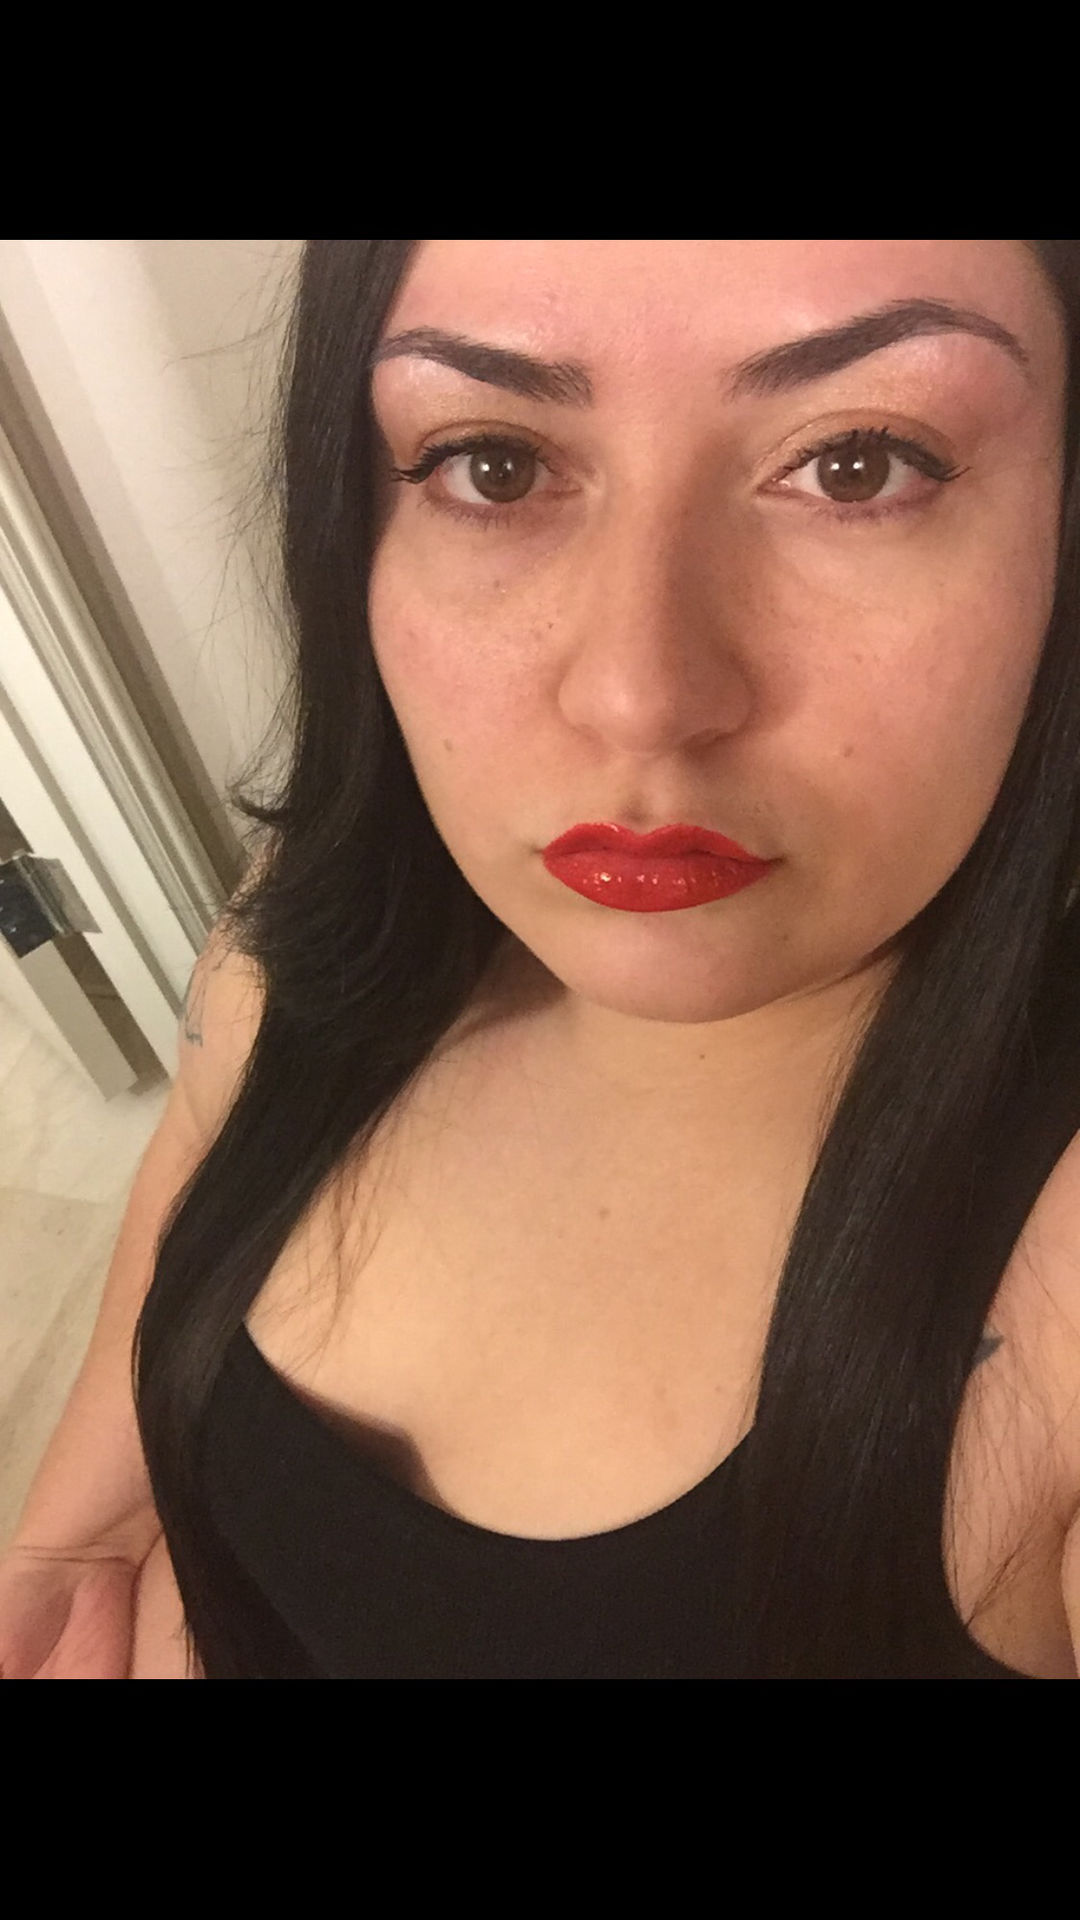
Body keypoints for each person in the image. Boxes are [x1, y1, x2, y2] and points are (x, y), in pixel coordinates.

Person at [3, 239, 1080, 1680]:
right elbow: (184, 1212)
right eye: (495, 466)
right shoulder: (301, 941)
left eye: (858, 465)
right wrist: (69, 1550)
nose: (640, 695)